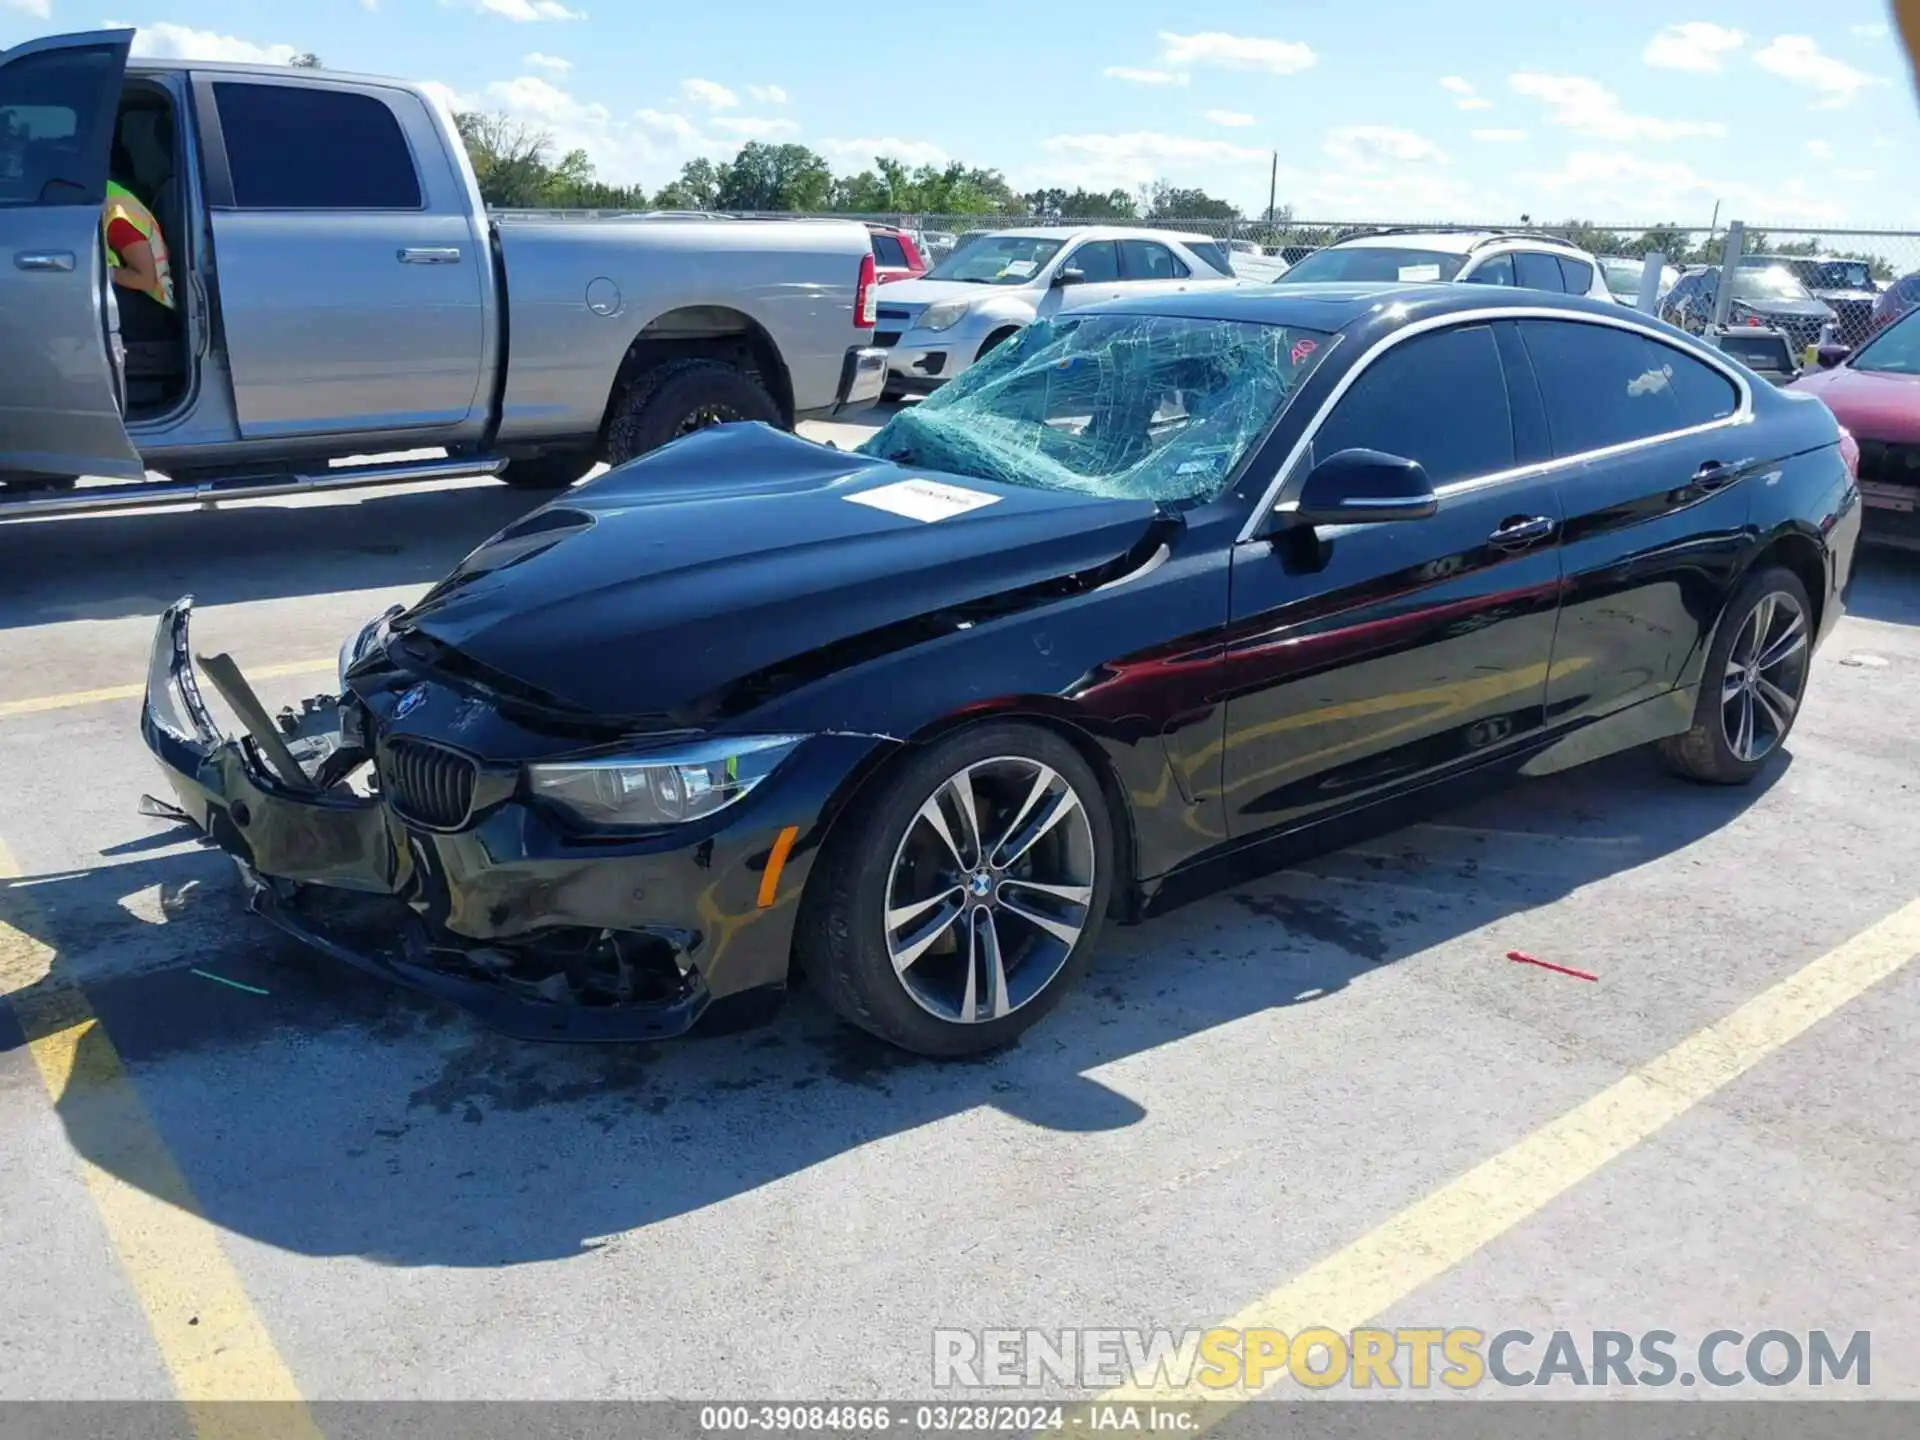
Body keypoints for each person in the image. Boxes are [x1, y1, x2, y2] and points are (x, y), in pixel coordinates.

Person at [102, 150, 174, 334]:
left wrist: (103, 272)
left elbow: (146, 279)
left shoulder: (116, 214)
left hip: (154, 302)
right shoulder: (105, 191)